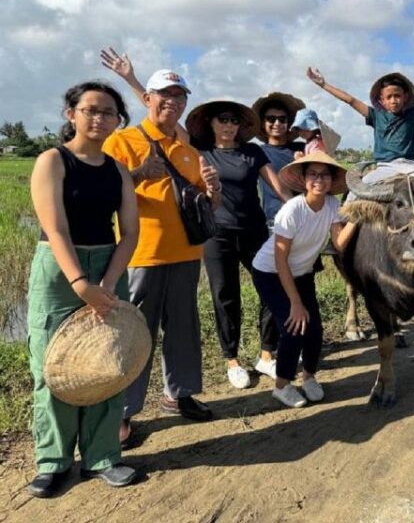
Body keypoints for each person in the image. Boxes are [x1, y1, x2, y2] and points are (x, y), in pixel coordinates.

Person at [26, 81, 139, 496]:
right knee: (51, 366)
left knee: (108, 362)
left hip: (108, 262)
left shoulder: (117, 170)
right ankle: (52, 461)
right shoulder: (52, 161)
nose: (99, 118)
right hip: (58, 270)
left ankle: (103, 456)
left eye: (108, 112)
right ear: (71, 113)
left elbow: (129, 233)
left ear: (117, 121)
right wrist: (80, 283)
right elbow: (54, 227)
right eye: (90, 109)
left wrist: (107, 283)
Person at [103, 69, 221, 446]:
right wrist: (137, 174)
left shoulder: (189, 151)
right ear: (148, 99)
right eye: (164, 95)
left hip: (187, 252)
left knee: (184, 328)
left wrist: (213, 190)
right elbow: (101, 193)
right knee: (137, 334)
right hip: (141, 255)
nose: (172, 101)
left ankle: (180, 393)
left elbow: (206, 204)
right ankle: (122, 412)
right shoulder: (122, 141)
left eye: (179, 95)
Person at [185, 100, 290, 390]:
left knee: (272, 286)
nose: (229, 126)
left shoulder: (252, 152)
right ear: (211, 123)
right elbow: (162, 120)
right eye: (223, 120)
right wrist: (133, 82)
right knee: (225, 295)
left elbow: (278, 186)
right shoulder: (200, 152)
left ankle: (267, 354)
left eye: (233, 121)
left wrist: (303, 209)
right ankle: (232, 359)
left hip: (254, 230)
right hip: (216, 234)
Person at [251, 153, 356, 408]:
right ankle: (282, 385)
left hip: (302, 272)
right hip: (270, 272)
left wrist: (356, 217)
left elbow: (340, 244)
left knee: (315, 328)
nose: (319, 179)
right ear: (304, 179)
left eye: (325, 174)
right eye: (313, 174)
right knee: (293, 326)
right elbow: (279, 260)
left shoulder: (332, 205)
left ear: (331, 180)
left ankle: (309, 377)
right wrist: (295, 302)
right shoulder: (292, 210)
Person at [306, 61, 414, 183]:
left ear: (405, 97)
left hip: (411, 167)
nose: (393, 100)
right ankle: (342, 234)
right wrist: (323, 84)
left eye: (397, 96)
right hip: (384, 167)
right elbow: (350, 100)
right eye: (389, 97)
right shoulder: (375, 116)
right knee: (354, 196)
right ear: (381, 100)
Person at [250, 91, 307, 377]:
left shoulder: (301, 147)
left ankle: (293, 342)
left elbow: (330, 143)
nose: (277, 124)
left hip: (304, 226)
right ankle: (266, 353)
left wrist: (306, 150)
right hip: (276, 224)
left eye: (283, 119)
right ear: (263, 123)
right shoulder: (258, 151)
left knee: (300, 288)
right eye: (270, 119)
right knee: (273, 293)